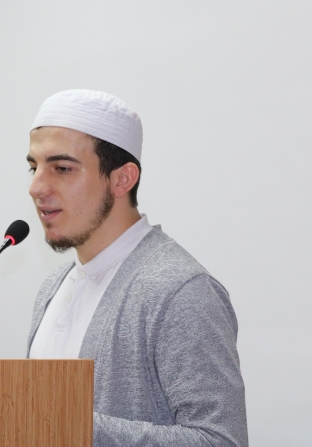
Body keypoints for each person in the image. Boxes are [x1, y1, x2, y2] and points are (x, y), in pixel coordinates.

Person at [26, 89, 247, 446]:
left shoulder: (180, 290)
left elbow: (221, 441)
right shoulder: (53, 288)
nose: (36, 187)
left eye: (62, 169)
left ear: (122, 179)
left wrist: (67, 423)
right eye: (33, 167)